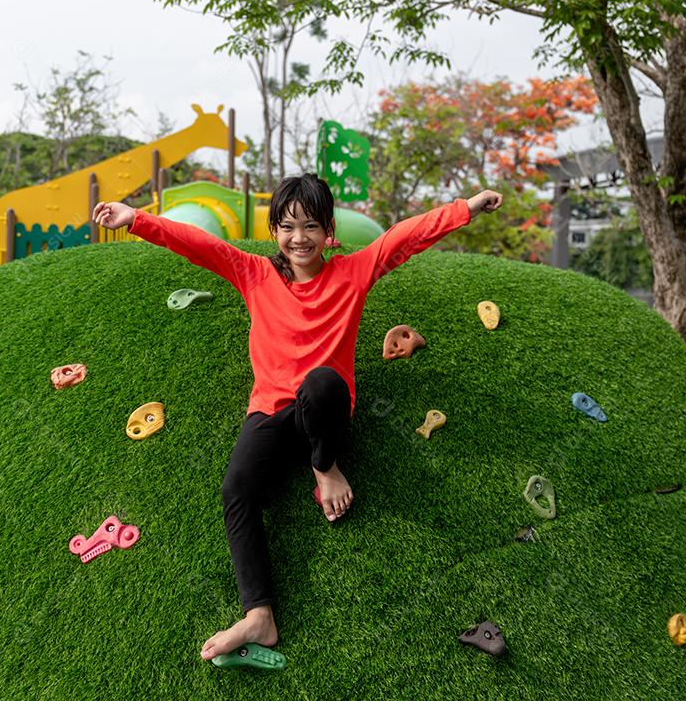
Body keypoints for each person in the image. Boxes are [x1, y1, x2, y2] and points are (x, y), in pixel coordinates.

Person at [93, 174, 503, 662]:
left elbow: (404, 236)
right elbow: (199, 244)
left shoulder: (353, 272)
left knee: (322, 381)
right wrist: (135, 219)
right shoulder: (253, 274)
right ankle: (259, 616)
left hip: (324, 410)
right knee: (236, 491)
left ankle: (325, 469)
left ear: (329, 231)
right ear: (274, 232)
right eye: (288, 227)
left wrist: (467, 208)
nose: (299, 238)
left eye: (311, 226)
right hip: (269, 410)